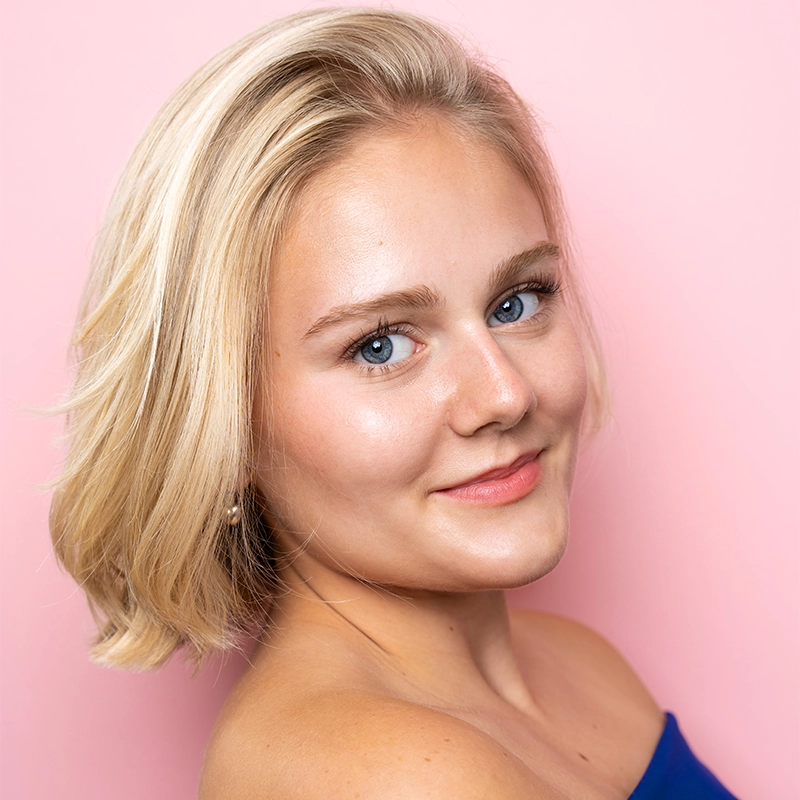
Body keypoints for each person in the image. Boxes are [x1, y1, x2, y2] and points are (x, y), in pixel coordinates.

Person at [50, 8, 739, 798]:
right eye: (380, 344)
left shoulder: (583, 667)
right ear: (225, 426)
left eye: (518, 301)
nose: (505, 395)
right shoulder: (377, 774)